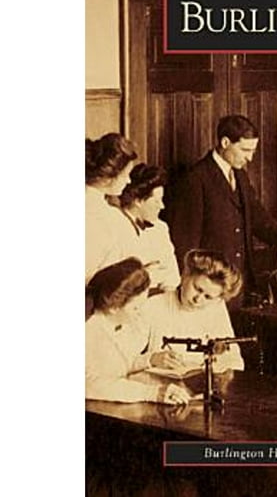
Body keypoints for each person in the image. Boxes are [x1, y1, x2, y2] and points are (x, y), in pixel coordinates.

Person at [166, 115, 277, 299]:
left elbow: (260, 221)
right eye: (245, 150)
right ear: (225, 142)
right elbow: (185, 243)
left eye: (253, 151)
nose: (250, 158)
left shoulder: (240, 176)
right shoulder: (196, 179)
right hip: (209, 288)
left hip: (239, 285)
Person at [85, 257, 192, 404]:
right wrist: (152, 393)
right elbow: (89, 384)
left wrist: (151, 359)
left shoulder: (119, 324)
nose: (140, 313)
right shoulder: (88, 329)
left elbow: (120, 365)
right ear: (113, 307)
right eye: (136, 308)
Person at [143, 249, 245, 373]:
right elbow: (125, 359)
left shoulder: (216, 308)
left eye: (208, 297)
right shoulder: (153, 306)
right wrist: (151, 359)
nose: (198, 299)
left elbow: (234, 360)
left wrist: (220, 368)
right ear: (185, 275)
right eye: (197, 289)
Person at [85, 133, 139, 284]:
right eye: (126, 175)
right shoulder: (102, 217)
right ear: (108, 177)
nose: (129, 181)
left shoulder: (105, 211)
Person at [117, 163, 180, 293]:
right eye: (157, 201)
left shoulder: (160, 228)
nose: (162, 206)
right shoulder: (116, 227)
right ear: (138, 201)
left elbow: (172, 276)